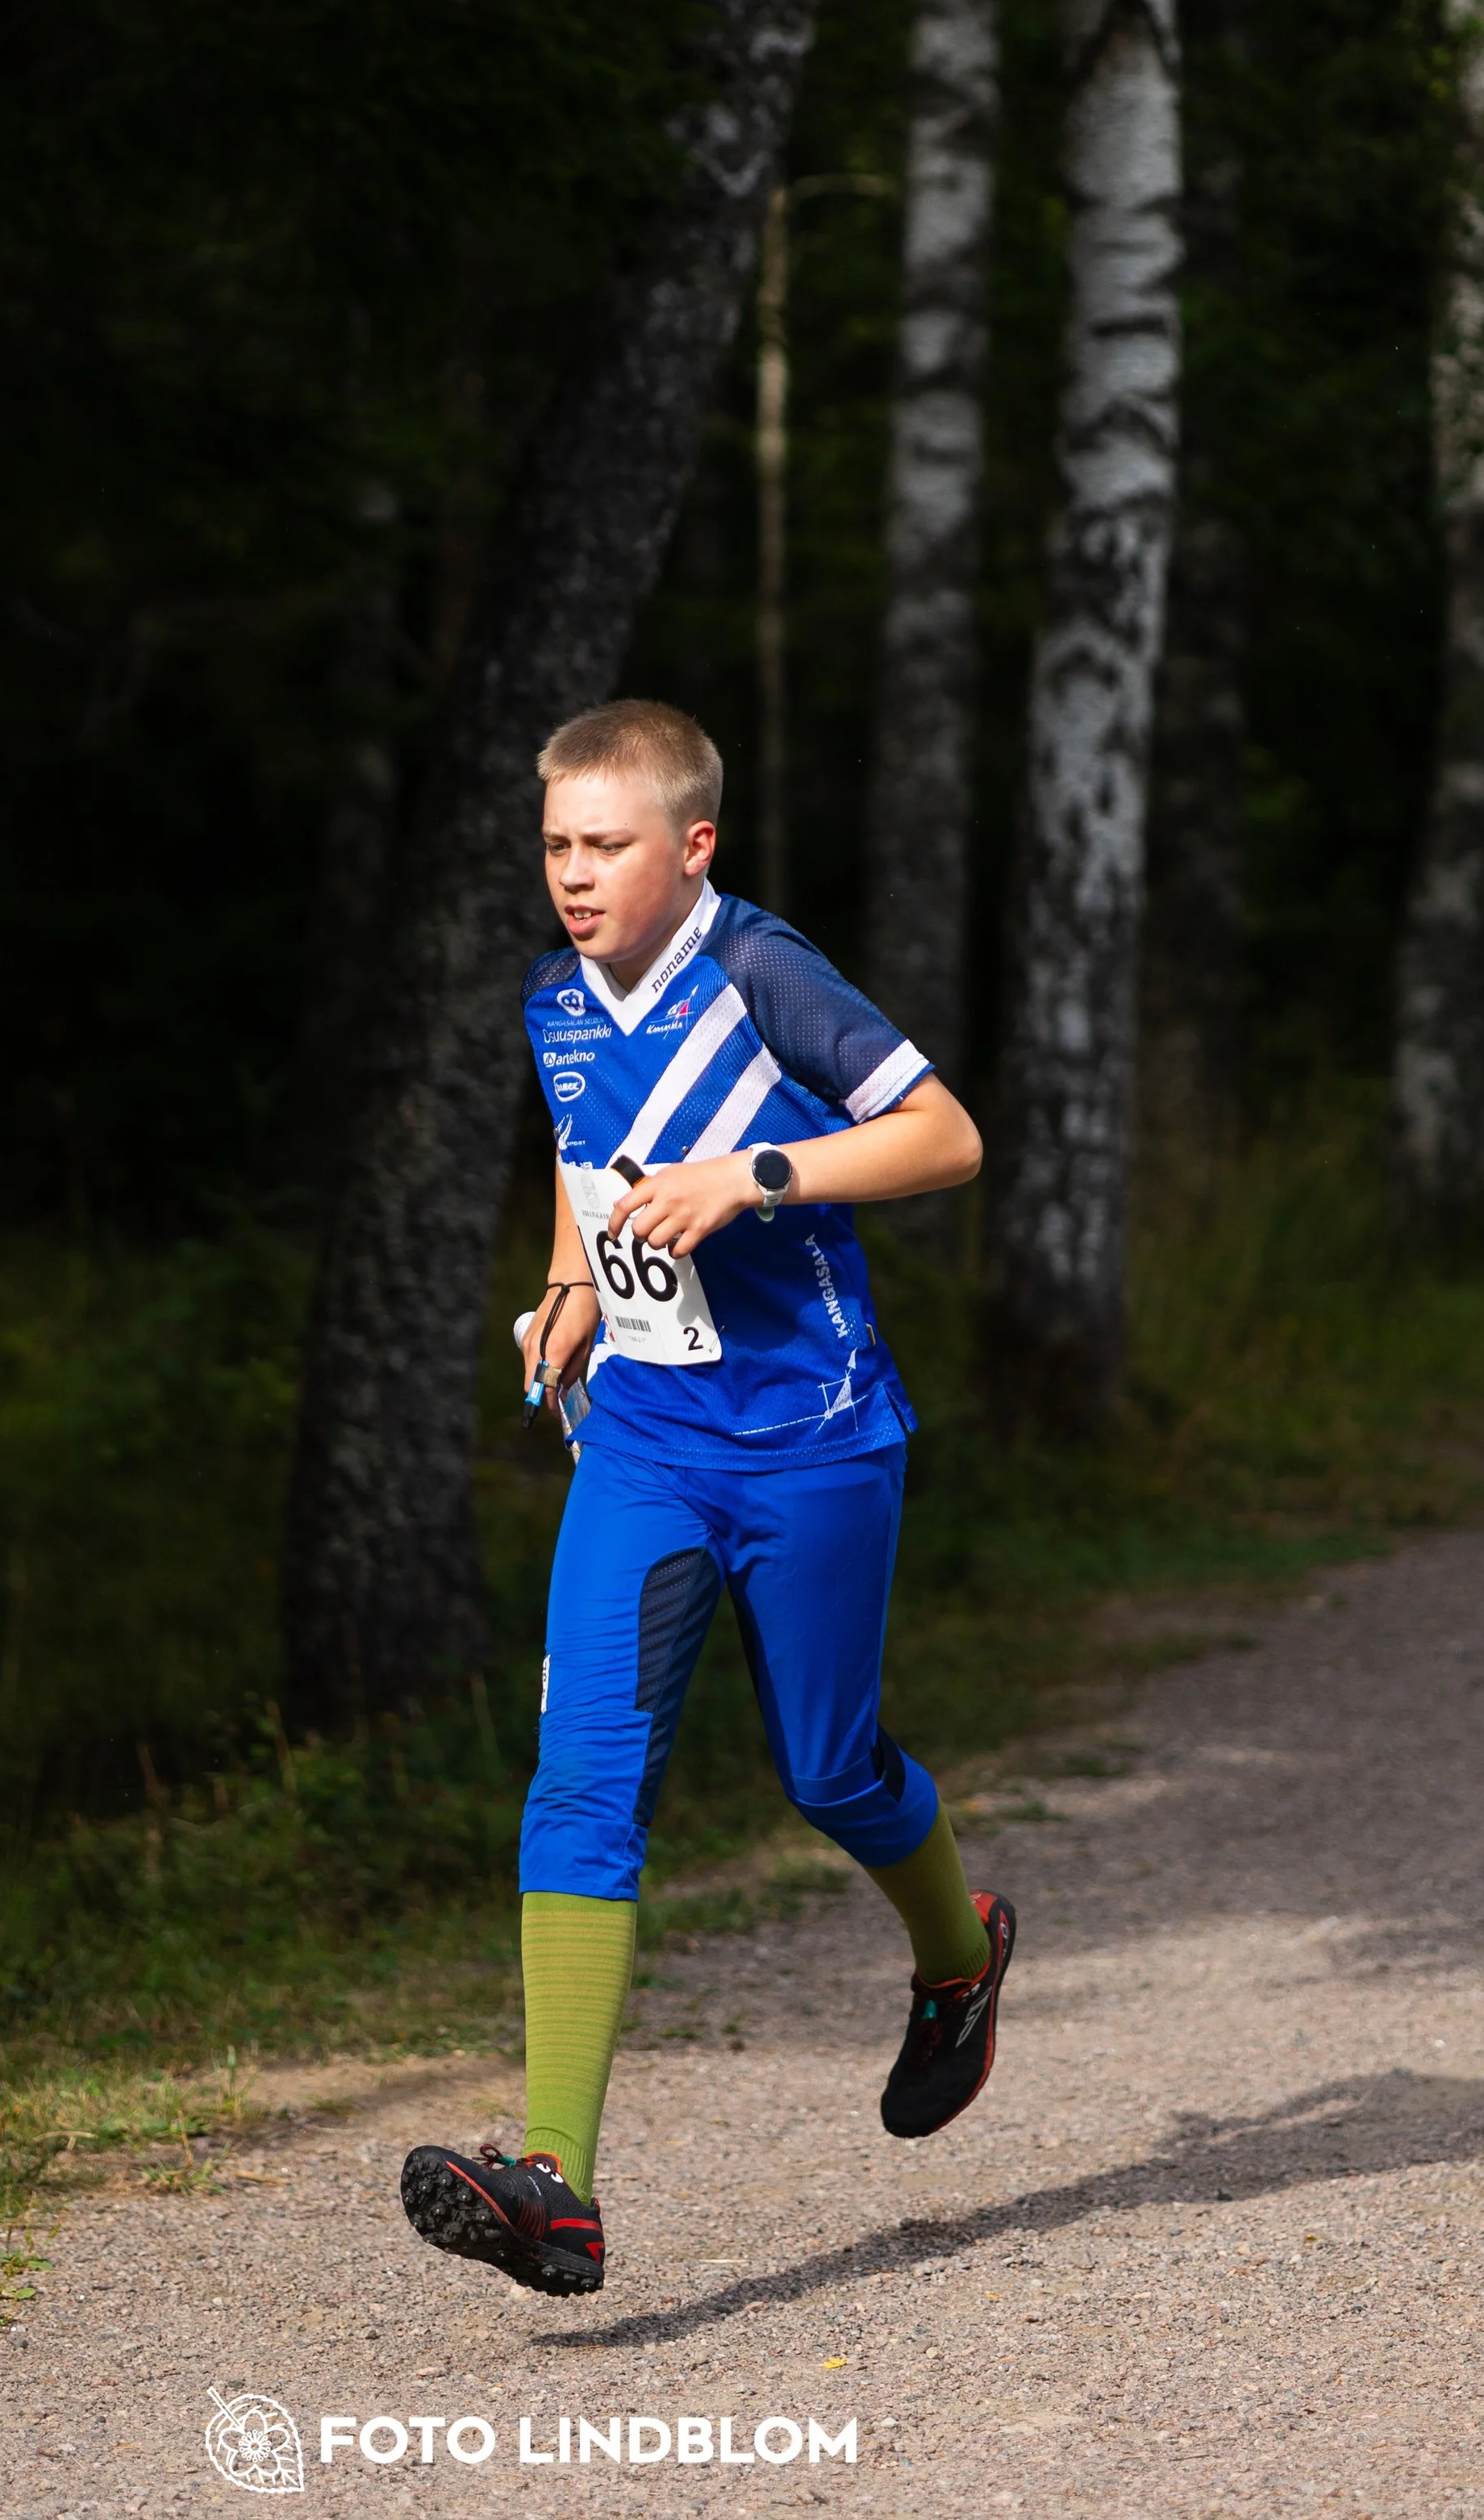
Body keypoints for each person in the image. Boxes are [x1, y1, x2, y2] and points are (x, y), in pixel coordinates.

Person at [400, 699, 1013, 2298]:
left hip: (814, 1441)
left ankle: (957, 1951)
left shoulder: (764, 976)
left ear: (692, 845)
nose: (573, 875)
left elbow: (944, 1134)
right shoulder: (552, 999)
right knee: (582, 1777)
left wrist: (757, 1175)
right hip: (647, 1448)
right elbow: (586, 1150)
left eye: (605, 844)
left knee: (830, 1772)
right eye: (554, 844)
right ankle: (555, 2183)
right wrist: (566, 1287)